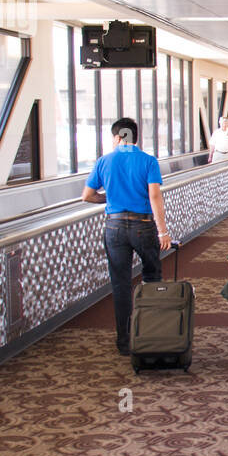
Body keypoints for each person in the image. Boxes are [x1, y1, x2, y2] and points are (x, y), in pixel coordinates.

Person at [81, 117, 172, 356]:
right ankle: (152, 332)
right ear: (135, 137)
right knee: (152, 276)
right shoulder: (148, 161)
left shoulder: (104, 161)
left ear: (117, 137)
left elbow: (87, 195)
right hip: (143, 225)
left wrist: (108, 199)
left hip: (114, 226)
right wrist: (163, 231)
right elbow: (154, 197)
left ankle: (123, 340)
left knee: (120, 283)